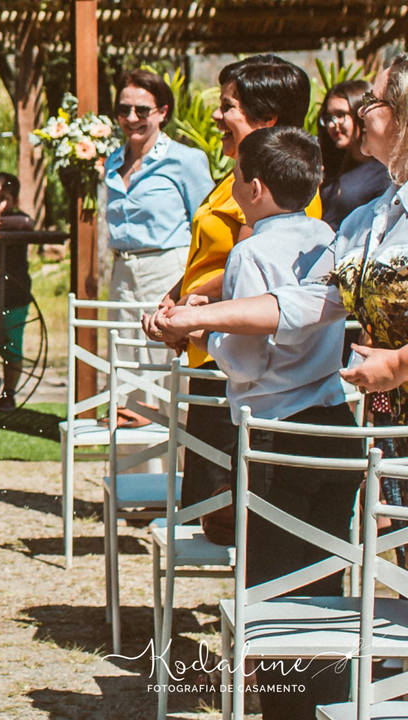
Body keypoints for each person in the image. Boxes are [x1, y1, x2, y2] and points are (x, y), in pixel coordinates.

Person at [146, 79, 408, 717]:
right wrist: (205, 311)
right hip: (380, 428)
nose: (348, 115)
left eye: (370, 103)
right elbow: (311, 302)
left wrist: (401, 362)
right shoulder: (369, 218)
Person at [145, 54, 320, 515]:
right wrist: (178, 293)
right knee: (213, 514)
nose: (217, 117)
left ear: (266, 119)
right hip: (213, 355)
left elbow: (256, 271)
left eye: (229, 107)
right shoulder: (234, 176)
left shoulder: (276, 189)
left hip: (239, 368)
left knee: (231, 516)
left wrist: (191, 314)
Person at [104, 69, 213, 323]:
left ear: (163, 112)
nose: (131, 118)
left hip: (166, 271)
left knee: (161, 353)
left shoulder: (185, 160)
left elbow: (206, 225)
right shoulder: (112, 162)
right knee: (122, 352)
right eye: (123, 110)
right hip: (122, 271)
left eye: (142, 111)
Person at [317, 78, 392, 230]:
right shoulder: (330, 165)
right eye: (329, 117)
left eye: (340, 115)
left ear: (361, 113)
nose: (333, 124)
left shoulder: (384, 172)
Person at [0, 172, 33, 408]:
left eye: (3, 198)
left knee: (11, 345)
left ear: (14, 200)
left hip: (15, 296)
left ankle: (9, 393)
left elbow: (28, 224)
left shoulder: (19, 219)